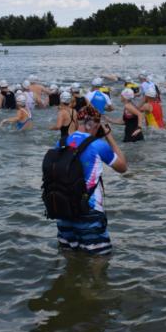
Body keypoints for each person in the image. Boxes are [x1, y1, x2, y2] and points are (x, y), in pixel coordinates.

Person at [55, 107, 127, 255]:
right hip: (89, 210)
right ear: (95, 125)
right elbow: (122, 167)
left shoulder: (61, 142)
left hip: (63, 209)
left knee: (70, 256)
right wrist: (109, 136)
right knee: (99, 259)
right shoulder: (97, 144)